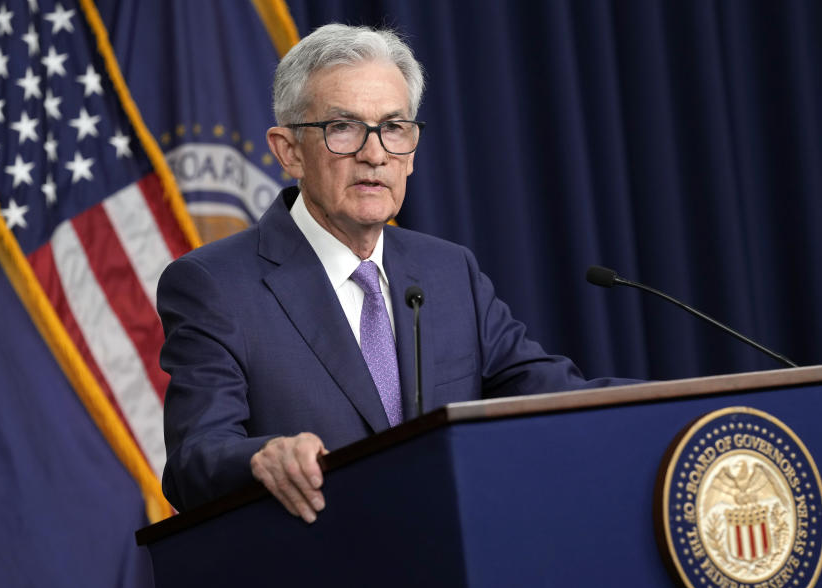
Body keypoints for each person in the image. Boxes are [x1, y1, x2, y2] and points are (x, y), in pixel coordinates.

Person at [157, 24, 624, 521]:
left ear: (412, 151)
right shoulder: (214, 285)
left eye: (393, 128)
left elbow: (549, 394)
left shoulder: (449, 271)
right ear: (289, 150)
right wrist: (261, 458)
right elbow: (194, 458)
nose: (375, 153)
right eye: (343, 127)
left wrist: (690, 404)